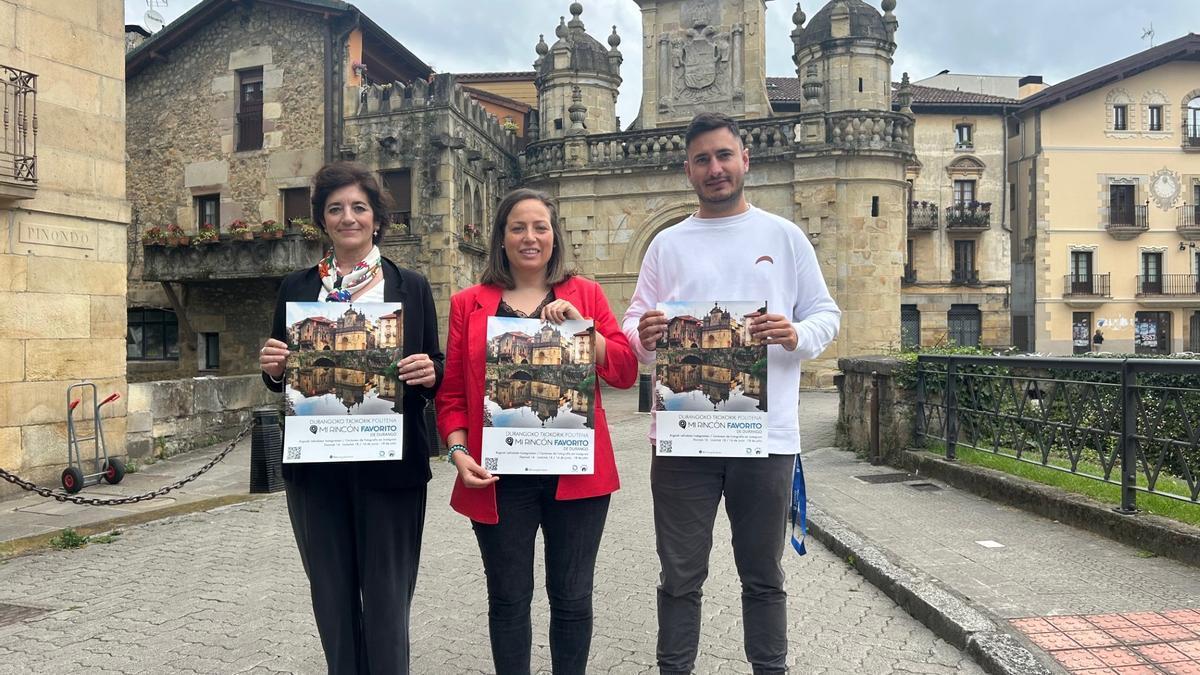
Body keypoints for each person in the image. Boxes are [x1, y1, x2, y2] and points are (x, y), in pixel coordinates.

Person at [622, 112, 841, 674]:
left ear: (745, 160)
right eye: (702, 159)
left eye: (723, 156)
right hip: (682, 437)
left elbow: (825, 315)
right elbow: (634, 330)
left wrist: (796, 334)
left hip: (766, 439)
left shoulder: (784, 236)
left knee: (763, 576)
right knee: (679, 577)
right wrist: (643, 335)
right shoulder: (666, 246)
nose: (714, 168)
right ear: (688, 170)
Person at [435, 188, 637, 675]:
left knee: (571, 598)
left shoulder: (584, 294)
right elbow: (453, 397)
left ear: (554, 235)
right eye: (517, 228)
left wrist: (584, 328)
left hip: (576, 476)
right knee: (508, 600)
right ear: (501, 239)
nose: (530, 238)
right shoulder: (469, 304)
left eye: (540, 227)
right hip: (498, 477)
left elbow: (626, 371)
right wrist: (457, 452)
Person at [258, 161, 443, 674]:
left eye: (359, 207)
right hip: (317, 468)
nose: (348, 218)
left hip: (391, 469)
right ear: (322, 219)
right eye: (335, 208)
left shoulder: (412, 287)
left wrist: (431, 370)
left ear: (377, 218)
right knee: (332, 600)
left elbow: (435, 364)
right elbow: (280, 374)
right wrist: (273, 368)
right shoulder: (296, 289)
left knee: (387, 602)